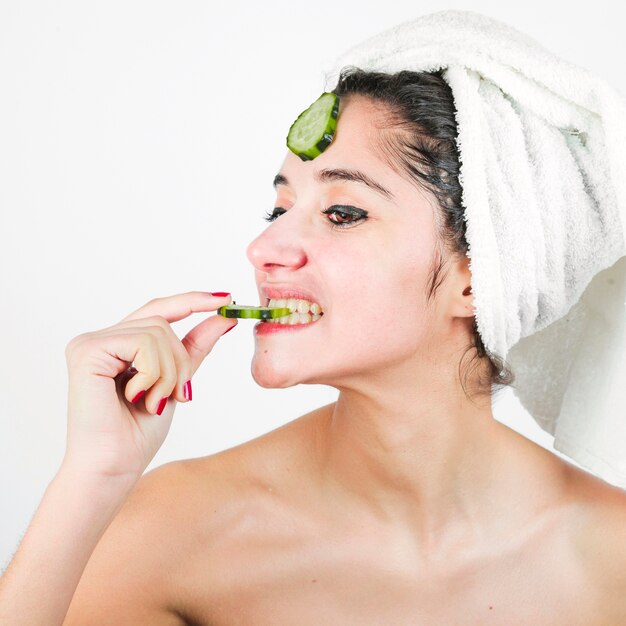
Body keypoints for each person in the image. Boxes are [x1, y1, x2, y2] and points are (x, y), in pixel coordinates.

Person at [2, 67, 626, 626]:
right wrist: (92, 480)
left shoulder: (611, 558)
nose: (263, 251)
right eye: (278, 209)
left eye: (343, 213)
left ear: (483, 273)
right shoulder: (174, 529)